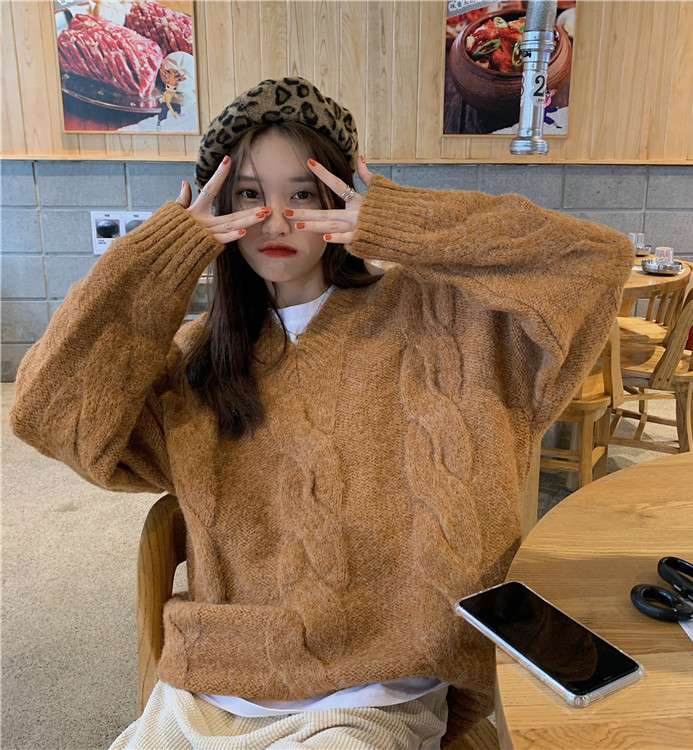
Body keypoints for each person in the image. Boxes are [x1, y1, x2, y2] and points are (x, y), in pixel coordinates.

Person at [10, 76, 633, 749]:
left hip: (379, 689)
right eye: (249, 195)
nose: (276, 221)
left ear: (338, 194)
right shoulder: (198, 361)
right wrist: (161, 258)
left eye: (302, 194)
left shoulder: (446, 321)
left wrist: (402, 222)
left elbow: (597, 261)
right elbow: (44, 411)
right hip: (217, 682)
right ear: (218, 206)